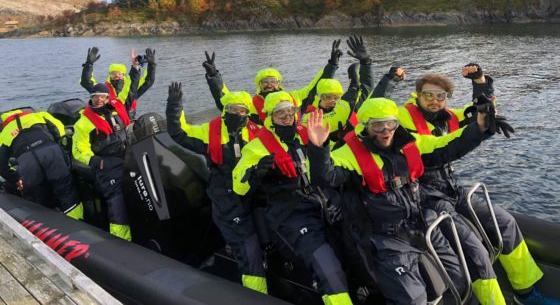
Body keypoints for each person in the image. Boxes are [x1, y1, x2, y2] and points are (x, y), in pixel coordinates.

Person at [306, 97, 507, 304]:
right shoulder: (348, 156)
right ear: (365, 127)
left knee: (459, 280)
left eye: (390, 124)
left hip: (422, 224)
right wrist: (319, 149)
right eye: (377, 125)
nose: (386, 131)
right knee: (413, 299)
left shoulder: (410, 143)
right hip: (384, 237)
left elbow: (446, 146)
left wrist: (479, 128)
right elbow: (325, 177)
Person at [398, 66, 554, 305]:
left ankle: (525, 294)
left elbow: (477, 110)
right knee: (475, 251)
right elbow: (435, 149)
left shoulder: (448, 116)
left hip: (450, 188)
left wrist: (480, 84)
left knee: (505, 222)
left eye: (440, 96)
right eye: (428, 95)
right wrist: (477, 129)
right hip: (423, 196)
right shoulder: (402, 121)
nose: (434, 101)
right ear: (417, 94)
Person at [232, 91, 352, 305]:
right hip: (291, 213)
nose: (288, 118)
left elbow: (331, 165)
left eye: (291, 113)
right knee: (327, 267)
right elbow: (238, 184)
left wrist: (321, 147)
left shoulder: (307, 135)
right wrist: (256, 173)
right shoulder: (256, 148)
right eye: (281, 114)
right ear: (270, 118)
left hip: (322, 203)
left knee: (357, 240)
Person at [166, 83, 267, 294]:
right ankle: (256, 294)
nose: (237, 114)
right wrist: (175, 105)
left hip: (253, 194)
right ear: (225, 111)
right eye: (233, 109)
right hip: (226, 199)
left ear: (248, 113)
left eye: (242, 110)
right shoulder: (209, 133)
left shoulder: (257, 134)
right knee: (249, 251)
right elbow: (179, 132)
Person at [202, 39, 343, 124]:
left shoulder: (295, 97)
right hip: (266, 145)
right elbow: (225, 100)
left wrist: (332, 65)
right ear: (259, 85)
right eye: (264, 81)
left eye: (273, 81)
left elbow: (318, 85)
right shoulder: (251, 104)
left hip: (294, 140)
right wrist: (214, 76)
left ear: (279, 83)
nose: (269, 84)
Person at [72, 83, 131, 241]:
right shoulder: (83, 124)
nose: (98, 99)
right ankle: (120, 239)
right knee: (117, 198)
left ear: (108, 98)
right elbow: (78, 150)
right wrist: (96, 161)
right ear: (90, 98)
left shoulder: (116, 112)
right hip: (106, 164)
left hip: (125, 155)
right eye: (95, 96)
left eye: (102, 96)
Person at [0, 109, 83, 220]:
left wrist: (15, 178)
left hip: (27, 160)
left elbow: (2, 165)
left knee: (35, 196)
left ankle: (44, 226)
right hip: (50, 150)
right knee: (65, 190)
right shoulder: (39, 115)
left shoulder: (4, 133)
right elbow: (59, 129)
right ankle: (77, 221)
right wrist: (59, 146)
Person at [301, 35, 374, 146]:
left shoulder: (345, 107)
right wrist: (353, 87)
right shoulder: (309, 117)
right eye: (328, 97)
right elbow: (319, 85)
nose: (333, 101)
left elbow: (366, 89)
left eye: (337, 97)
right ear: (319, 97)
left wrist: (366, 64)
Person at [80, 46, 156, 118]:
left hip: (128, 119)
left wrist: (151, 64)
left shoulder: (133, 87)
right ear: (109, 75)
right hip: (108, 119)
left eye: (120, 73)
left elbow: (148, 80)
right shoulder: (103, 89)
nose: (117, 76)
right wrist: (89, 65)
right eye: (114, 73)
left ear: (124, 75)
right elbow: (86, 82)